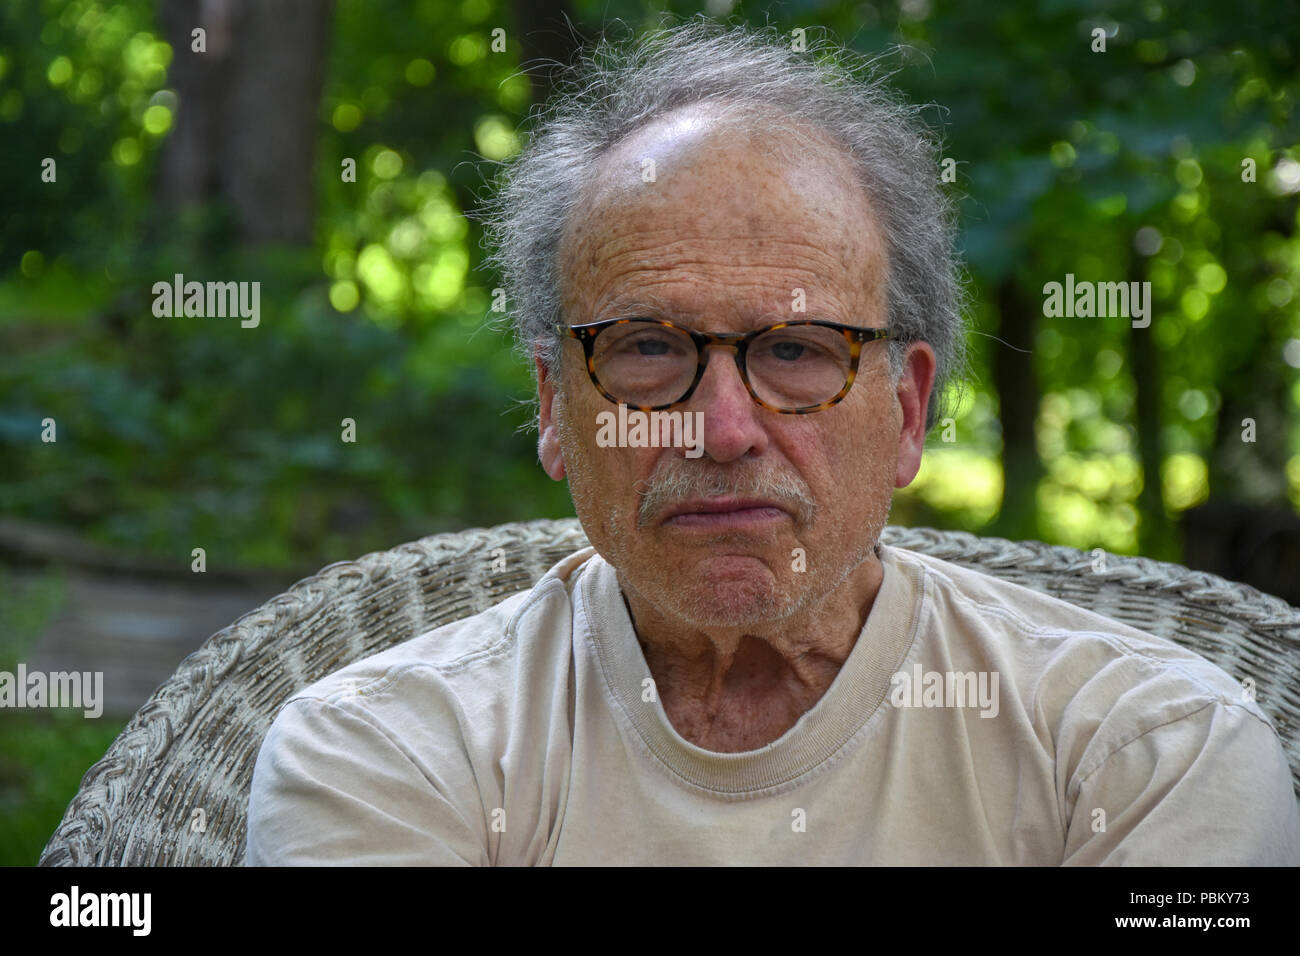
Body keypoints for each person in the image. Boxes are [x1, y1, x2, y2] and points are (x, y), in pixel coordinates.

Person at [245, 19, 1300, 865]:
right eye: (647, 347)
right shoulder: (386, 750)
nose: (723, 428)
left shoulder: (1144, 746)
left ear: (907, 408)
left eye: (797, 349)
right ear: (557, 407)